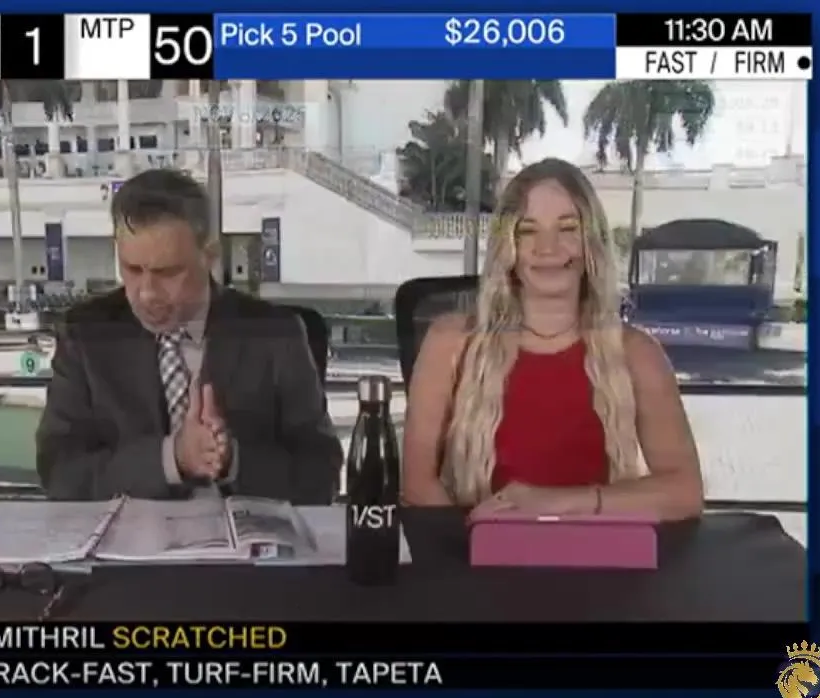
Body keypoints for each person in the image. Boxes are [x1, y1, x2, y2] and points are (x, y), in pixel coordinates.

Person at [401, 158, 703, 521]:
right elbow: (417, 484)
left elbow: (684, 492)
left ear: (591, 243)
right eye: (528, 231)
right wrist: (480, 538)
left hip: (594, 551)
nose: (548, 248)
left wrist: (558, 503)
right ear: (507, 247)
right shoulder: (450, 342)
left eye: (568, 228)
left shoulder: (637, 354)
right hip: (478, 550)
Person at [36, 168, 342, 504]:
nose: (147, 293)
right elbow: (60, 474)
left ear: (209, 256)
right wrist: (172, 458)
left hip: (245, 537)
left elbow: (321, 477)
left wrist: (232, 460)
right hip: (128, 538)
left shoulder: (276, 335)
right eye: (132, 269)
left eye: (167, 272)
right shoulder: (85, 335)